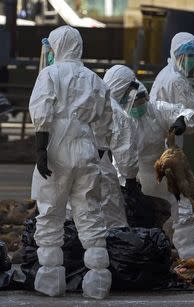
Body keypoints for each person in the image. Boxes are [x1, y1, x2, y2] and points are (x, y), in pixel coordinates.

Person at [110, 65, 194, 261]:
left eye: (142, 100)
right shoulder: (120, 119)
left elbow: (187, 112)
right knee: (128, 216)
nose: (139, 105)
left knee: (182, 207)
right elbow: (120, 156)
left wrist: (183, 120)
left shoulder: (156, 110)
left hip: (159, 172)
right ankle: (133, 252)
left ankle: (190, 248)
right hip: (131, 177)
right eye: (135, 101)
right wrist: (128, 182)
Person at [29, 26, 112, 298]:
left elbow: (42, 109)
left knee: (51, 212)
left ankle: (51, 280)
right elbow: (106, 121)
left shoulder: (49, 74)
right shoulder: (94, 79)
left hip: (57, 144)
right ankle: (98, 280)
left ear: (56, 47)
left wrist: (41, 149)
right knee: (89, 210)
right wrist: (98, 150)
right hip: (86, 145)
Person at [99, 65, 141, 228]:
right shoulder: (117, 112)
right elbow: (125, 153)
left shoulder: (91, 98)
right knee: (113, 224)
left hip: (72, 164)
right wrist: (130, 180)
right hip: (100, 170)